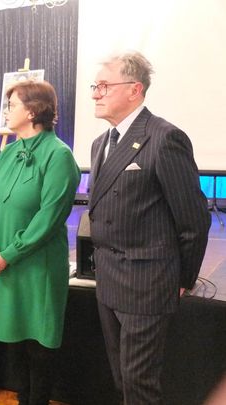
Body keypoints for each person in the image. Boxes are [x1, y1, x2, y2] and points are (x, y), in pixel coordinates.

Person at [88, 51, 211, 404]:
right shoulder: (100, 144)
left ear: (134, 89)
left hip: (146, 283)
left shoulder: (164, 137)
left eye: (104, 86)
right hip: (108, 279)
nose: (95, 94)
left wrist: (182, 279)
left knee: (139, 383)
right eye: (95, 86)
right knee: (120, 378)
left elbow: (193, 219)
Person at [0, 80, 80, 405]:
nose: (6, 111)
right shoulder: (7, 154)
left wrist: (8, 254)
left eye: (12, 105)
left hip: (37, 267)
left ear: (32, 111)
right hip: (3, 265)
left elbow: (48, 219)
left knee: (39, 348)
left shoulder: (58, 155)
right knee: (15, 341)